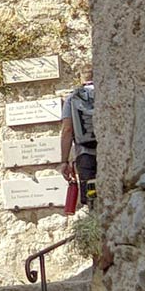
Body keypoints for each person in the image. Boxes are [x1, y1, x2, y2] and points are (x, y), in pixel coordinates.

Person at [60, 72, 96, 213]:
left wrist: (64, 161)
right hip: (108, 153)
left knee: (91, 195)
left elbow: (67, 130)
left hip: (85, 155)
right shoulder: (106, 92)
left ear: (81, 78)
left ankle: (95, 218)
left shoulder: (72, 99)